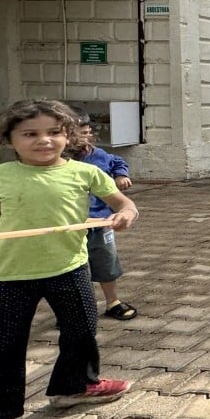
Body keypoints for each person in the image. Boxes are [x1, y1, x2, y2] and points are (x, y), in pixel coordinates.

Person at [0, 100, 138, 419]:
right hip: (11, 273)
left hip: (69, 267)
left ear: (67, 136)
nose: (44, 141)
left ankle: (75, 386)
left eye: (54, 132)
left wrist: (126, 213)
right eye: (30, 134)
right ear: (10, 139)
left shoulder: (85, 173)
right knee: (5, 345)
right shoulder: (2, 174)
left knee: (82, 330)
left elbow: (123, 202)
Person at [67, 108, 138, 320]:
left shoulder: (98, 156)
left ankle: (112, 302)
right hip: (69, 225)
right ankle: (72, 312)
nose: (84, 139)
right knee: (70, 270)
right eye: (77, 134)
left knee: (106, 261)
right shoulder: (57, 163)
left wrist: (120, 175)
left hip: (100, 221)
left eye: (87, 132)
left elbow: (117, 162)